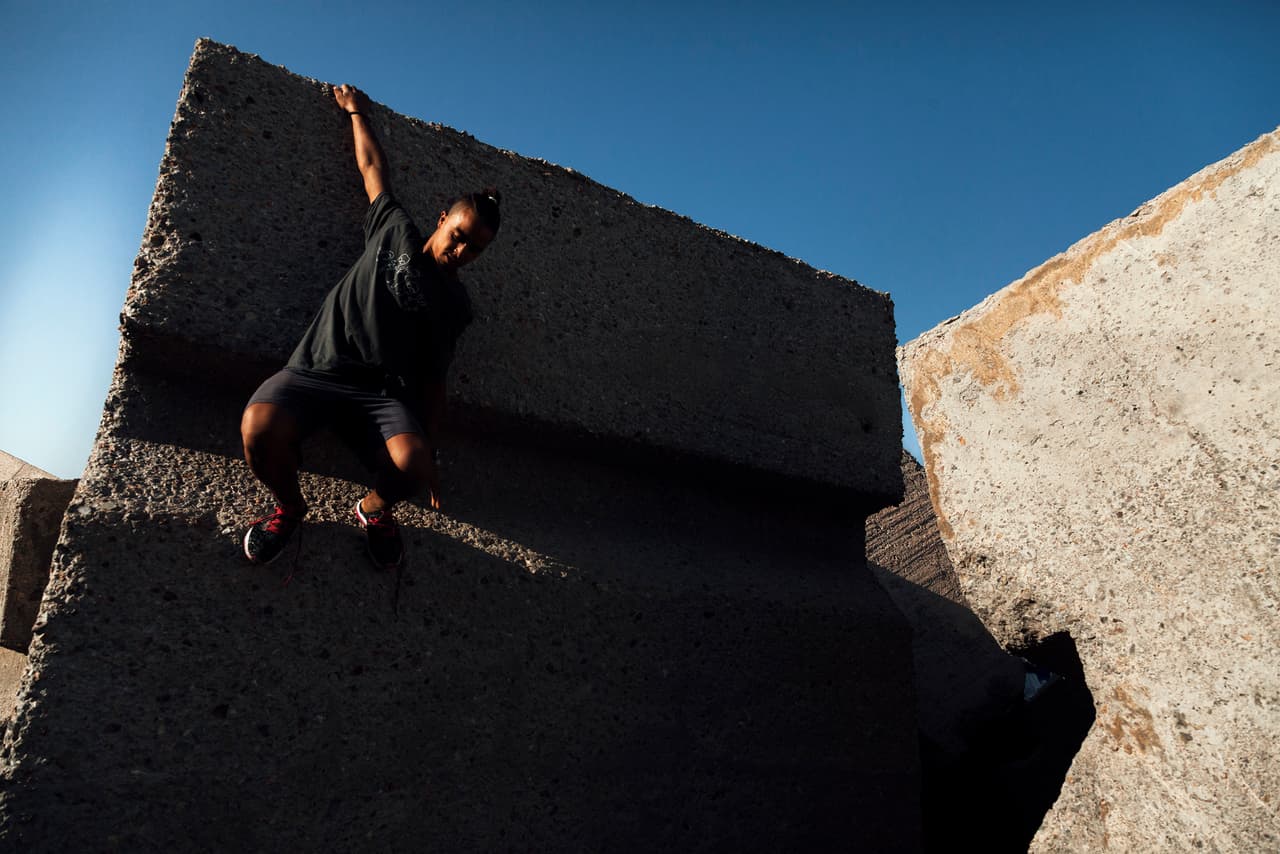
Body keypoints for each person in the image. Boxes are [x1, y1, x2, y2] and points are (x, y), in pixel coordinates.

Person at [240, 83, 499, 570]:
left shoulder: (456, 306)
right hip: (318, 371)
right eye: (458, 236)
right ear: (442, 220)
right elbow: (372, 169)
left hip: (381, 399)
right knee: (258, 427)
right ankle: (291, 509)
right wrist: (356, 111)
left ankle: (372, 511)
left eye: (474, 249)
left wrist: (431, 451)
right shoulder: (395, 231)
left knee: (413, 465)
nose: (460, 251)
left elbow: (434, 380)